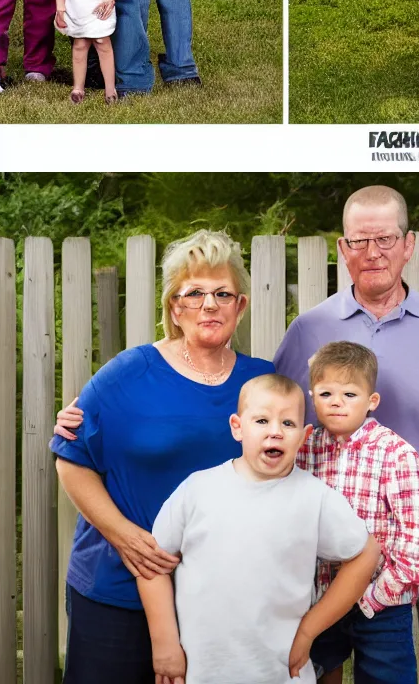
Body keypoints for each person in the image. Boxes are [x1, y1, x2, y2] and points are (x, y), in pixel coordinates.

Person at [272, 186, 419, 684]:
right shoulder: (309, 330)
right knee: (321, 653)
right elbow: (273, 418)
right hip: (330, 533)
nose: (372, 252)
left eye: (385, 238)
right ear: (342, 249)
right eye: (360, 241)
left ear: (409, 244)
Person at [50, 229, 277, 684]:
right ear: (175, 307)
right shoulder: (128, 373)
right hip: (119, 588)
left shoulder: (264, 385)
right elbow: (71, 458)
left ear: (241, 306)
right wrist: (124, 537)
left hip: (219, 599)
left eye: (222, 293)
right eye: (193, 293)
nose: (209, 304)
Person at [137, 373, 381, 684]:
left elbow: (366, 554)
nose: (275, 433)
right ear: (237, 427)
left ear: (304, 436)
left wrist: (309, 630)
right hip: (201, 672)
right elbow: (152, 565)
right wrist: (164, 643)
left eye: (288, 424)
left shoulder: (315, 497)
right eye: (262, 421)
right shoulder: (198, 489)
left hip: (280, 672)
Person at [298, 341, 419, 684]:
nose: (336, 402)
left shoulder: (395, 453)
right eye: (326, 393)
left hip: (381, 604)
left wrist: (379, 594)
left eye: (349, 394)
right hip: (320, 599)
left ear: (371, 401)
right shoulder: (304, 451)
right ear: (312, 396)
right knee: (311, 673)